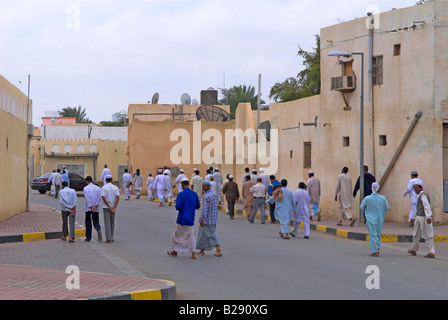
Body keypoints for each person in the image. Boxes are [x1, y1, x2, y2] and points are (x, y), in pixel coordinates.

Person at [167, 178, 201, 259]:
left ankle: (175, 251)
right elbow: (198, 205)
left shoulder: (181, 194)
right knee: (190, 235)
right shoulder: (194, 194)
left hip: (182, 218)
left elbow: (178, 206)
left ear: (182, 185)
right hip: (190, 218)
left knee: (178, 235)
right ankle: (193, 253)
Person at [360, 182, 389, 256]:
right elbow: (387, 208)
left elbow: (362, 207)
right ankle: (377, 247)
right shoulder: (383, 198)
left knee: (373, 234)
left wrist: (368, 209)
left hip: (370, 218)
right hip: (380, 218)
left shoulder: (367, 198)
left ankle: (375, 251)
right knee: (378, 233)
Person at [408, 182, 435, 259]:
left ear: (421, 188)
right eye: (415, 188)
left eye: (417, 188)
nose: (416, 190)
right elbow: (419, 209)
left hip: (424, 218)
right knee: (416, 233)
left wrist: (428, 216)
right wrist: (413, 218)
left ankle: (431, 252)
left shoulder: (423, 196)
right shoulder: (419, 196)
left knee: (427, 234)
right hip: (419, 217)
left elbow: (426, 206)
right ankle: (413, 249)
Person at [196, 181, 222, 257]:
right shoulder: (214, 195)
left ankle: (218, 247)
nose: (203, 187)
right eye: (202, 186)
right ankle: (202, 250)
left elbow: (205, 209)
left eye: (204, 186)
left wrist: (202, 219)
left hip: (207, 220)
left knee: (211, 234)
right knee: (203, 235)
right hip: (213, 218)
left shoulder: (206, 196)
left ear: (208, 187)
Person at [101, 175, 120, 243]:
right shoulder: (115, 188)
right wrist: (114, 207)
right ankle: (111, 236)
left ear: (106, 180)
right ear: (112, 180)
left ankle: (108, 238)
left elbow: (103, 197)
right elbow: (117, 197)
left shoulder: (103, 187)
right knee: (112, 221)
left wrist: (108, 206)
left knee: (107, 222)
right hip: (113, 207)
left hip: (106, 207)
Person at [83, 176, 102, 242]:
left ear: (87, 181)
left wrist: (91, 206)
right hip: (96, 208)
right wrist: (95, 206)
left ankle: (88, 237)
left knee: (88, 222)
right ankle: (98, 229)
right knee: (96, 220)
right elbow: (99, 198)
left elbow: (87, 198)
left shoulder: (86, 188)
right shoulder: (98, 188)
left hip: (88, 208)